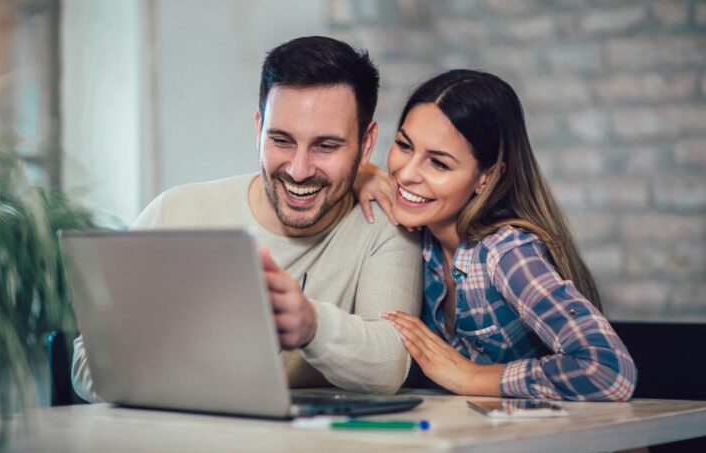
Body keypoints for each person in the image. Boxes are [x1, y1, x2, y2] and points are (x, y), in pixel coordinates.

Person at [71, 36, 423, 402]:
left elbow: (389, 364)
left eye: (326, 146)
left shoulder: (385, 224)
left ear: (366, 144)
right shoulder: (174, 213)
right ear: (258, 129)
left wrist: (311, 326)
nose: (299, 170)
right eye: (281, 141)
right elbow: (87, 365)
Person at [355, 69, 637, 401]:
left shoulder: (506, 253)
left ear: (486, 178)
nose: (406, 173)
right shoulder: (422, 235)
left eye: (439, 164)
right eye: (404, 145)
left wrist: (471, 376)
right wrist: (363, 173)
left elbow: (609, 370)